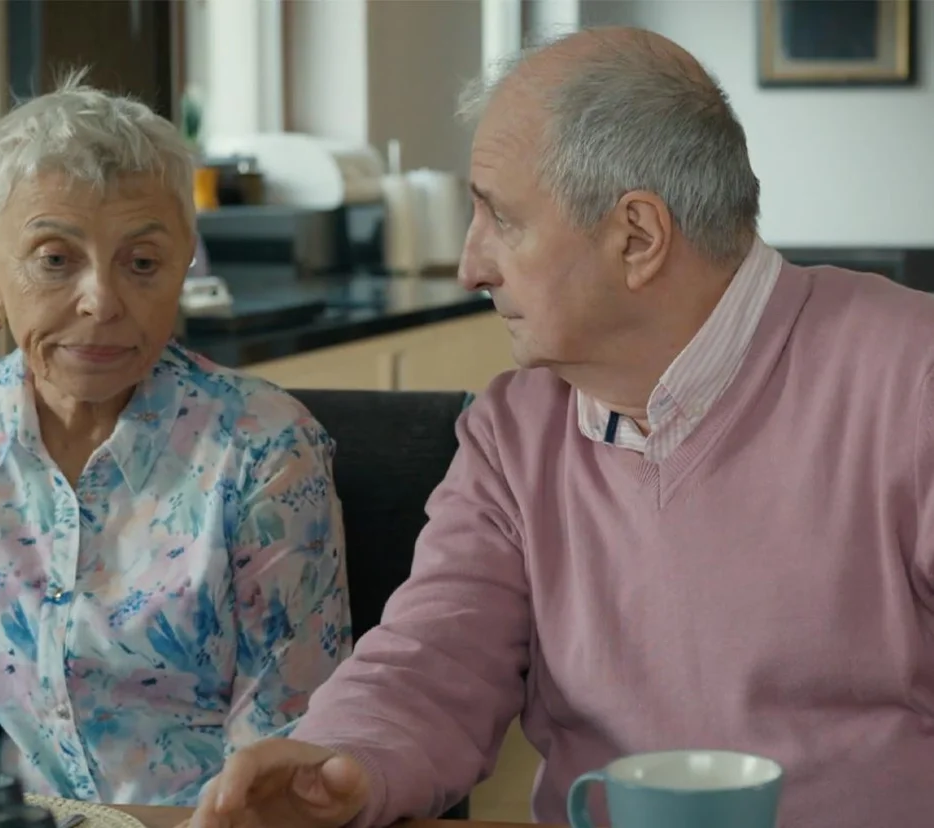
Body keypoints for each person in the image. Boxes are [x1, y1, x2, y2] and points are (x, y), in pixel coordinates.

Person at [190, 26, 934, 828]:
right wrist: (342, 762)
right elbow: (433, 659)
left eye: (501, 219)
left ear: (637, 237)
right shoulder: (514, 431)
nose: (470, 267)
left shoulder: (914, 380)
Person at [0, 76, 351, 805]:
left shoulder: (263, 449)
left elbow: (279, 760)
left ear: (184, 261)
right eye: (54, 259)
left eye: (142, 263)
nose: (102, 302)